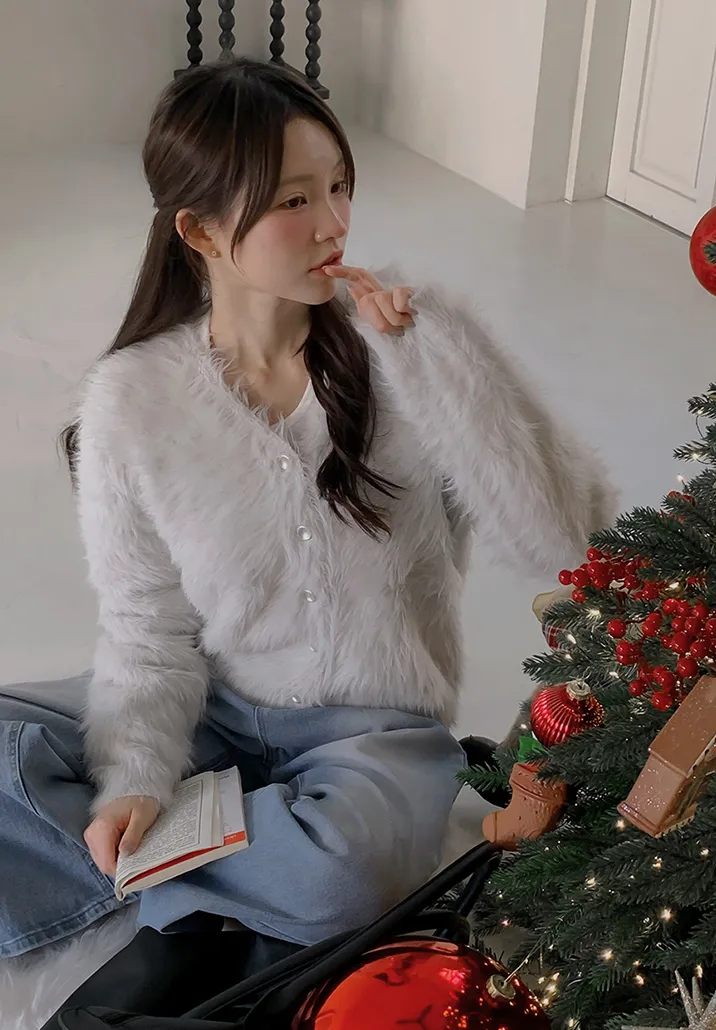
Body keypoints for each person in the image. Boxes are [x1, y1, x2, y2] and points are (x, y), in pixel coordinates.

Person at [0, 58, 612, 1020]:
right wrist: (136, 781)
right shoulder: (132, 398)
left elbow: (566, 542)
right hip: (215, 711)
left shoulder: (411, 337)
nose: (334, 223)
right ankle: (210, 860)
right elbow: (147, 633)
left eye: (340, 186)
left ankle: (168, 870)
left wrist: (433, 363)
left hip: (372, 734)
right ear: (200, 231)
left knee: (346, 876)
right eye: (295, 199)